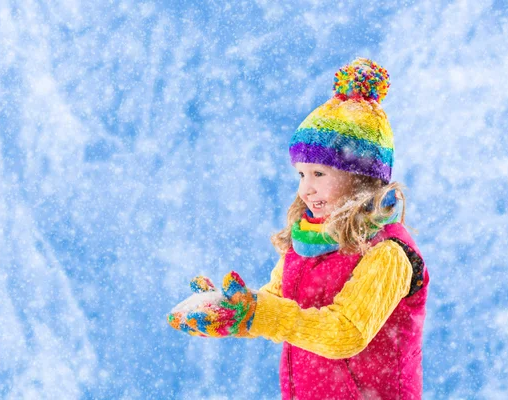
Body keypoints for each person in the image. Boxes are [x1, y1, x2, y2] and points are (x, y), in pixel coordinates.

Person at [168, 58, 430, 400]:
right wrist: (239, 311)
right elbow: (278, 301)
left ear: (360, 178)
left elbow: (345, 332)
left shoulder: (388, 252)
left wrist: (262, 315)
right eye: (301, 174)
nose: (306, 189)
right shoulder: (307, 239)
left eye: (319, 174)